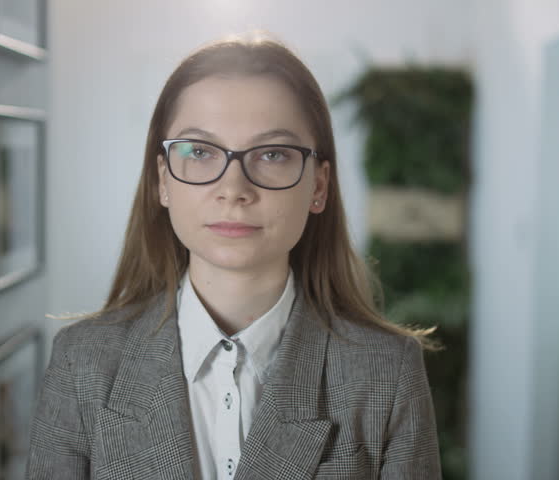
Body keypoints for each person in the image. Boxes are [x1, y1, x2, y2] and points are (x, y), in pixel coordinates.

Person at [27, 31, 441, 480]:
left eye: (273, 154)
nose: (233, 189)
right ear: (163, 180)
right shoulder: (82, 362)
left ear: (318, 186)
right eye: (200, 151)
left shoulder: (387, 372)